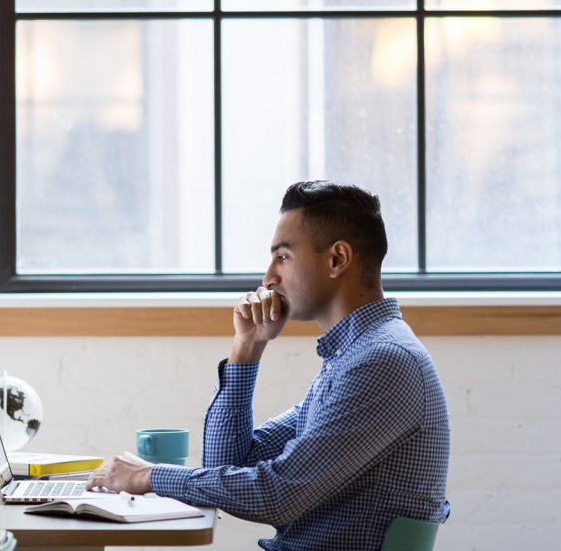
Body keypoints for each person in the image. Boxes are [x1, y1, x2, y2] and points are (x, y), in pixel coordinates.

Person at [87, 181, 451, 550]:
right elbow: (225, 465)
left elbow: (277, 495)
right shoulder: (351, 358)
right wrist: (247, 346)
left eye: (283, 257)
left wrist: (149, 476)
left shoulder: (382, 362)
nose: (268, 278)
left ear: (337, 259)